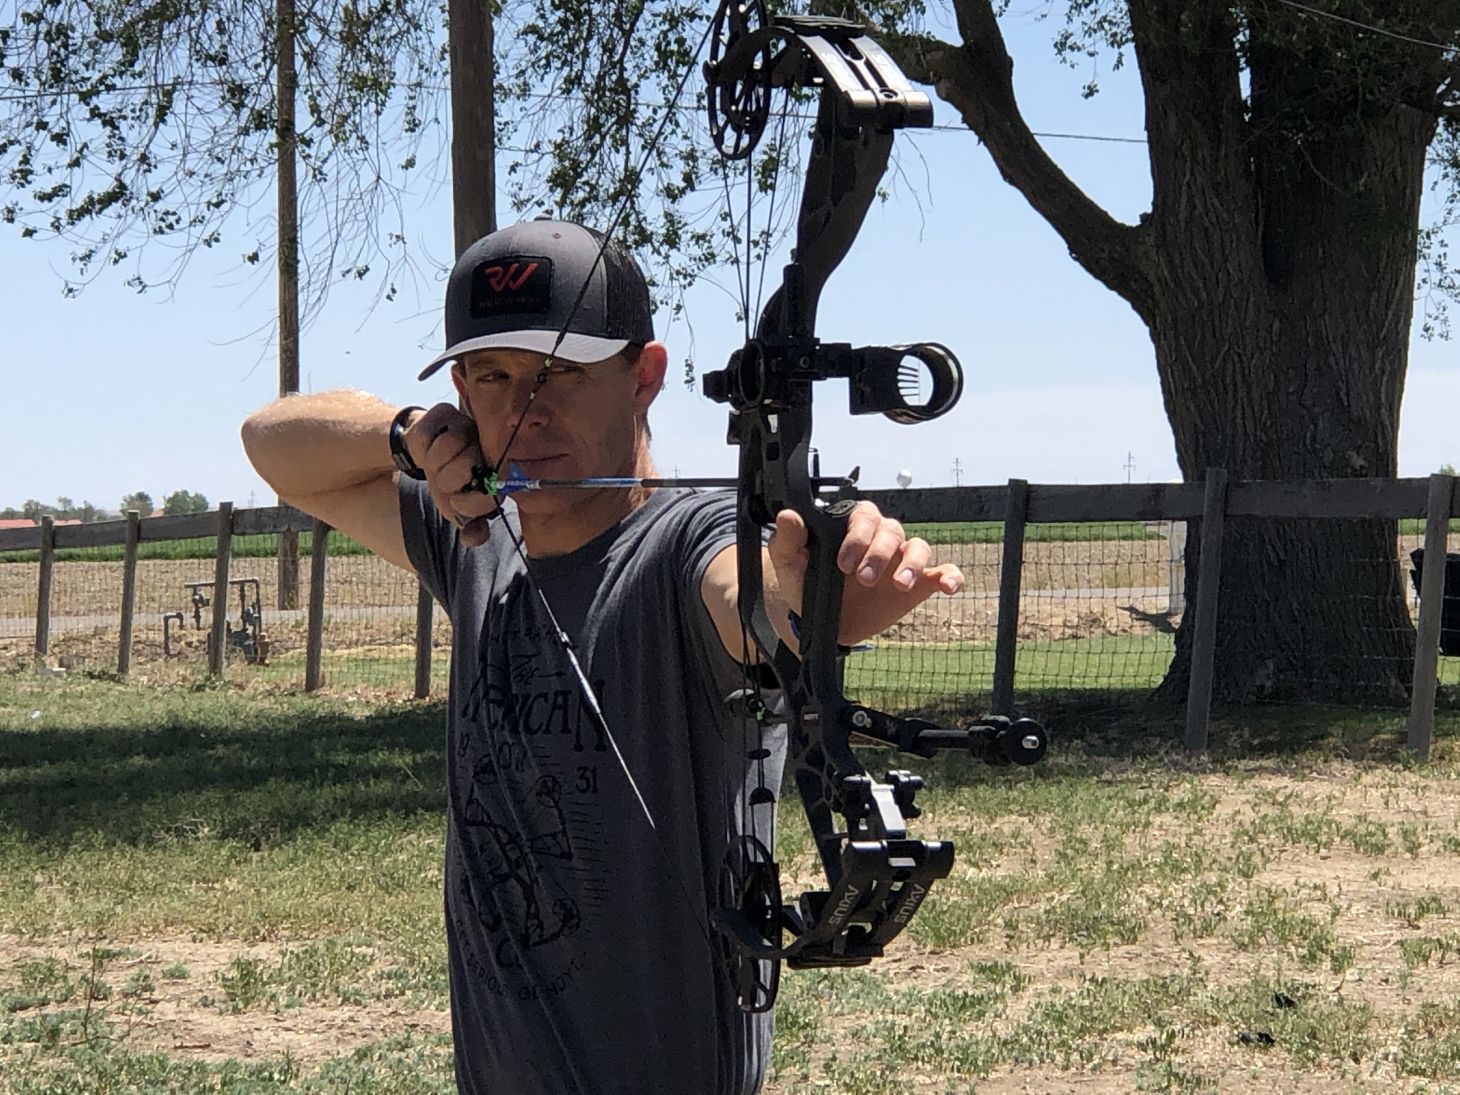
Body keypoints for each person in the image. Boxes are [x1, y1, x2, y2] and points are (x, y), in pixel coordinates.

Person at [241, 217, 965, 1095]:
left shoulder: (686, 541)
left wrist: (820, 598)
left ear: (644, 377)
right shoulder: (476, 535)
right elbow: (272, 444)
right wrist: (409, 437)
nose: (522, 411)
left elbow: (751, 598)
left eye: (561, 373)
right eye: (493, 377)